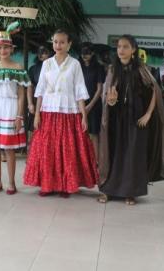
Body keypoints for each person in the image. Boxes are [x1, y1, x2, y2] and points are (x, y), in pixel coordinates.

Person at [23, 29, 98, 198]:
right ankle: (47, 185)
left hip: (68, 111)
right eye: (55, 42)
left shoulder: (74, 64)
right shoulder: (47, 64)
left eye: (62, 42)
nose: (58, 45)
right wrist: (37, 114)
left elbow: (79, 90)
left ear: (69, 44)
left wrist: (83, 115)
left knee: (67, 149)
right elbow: (40, 89)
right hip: (48, 111)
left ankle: (66, 185)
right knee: (47, 149)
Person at [98, 35, 164, 205]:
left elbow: (155, 92)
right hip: (116, 118)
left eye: (125, 47)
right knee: (113, 152)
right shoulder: (112, 69)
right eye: (119, 47)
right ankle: (107, 190)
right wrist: (111, 101)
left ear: (133, 50)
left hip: (137, 118)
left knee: (133, 155)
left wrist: (148, 114)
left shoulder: (141, 68)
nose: (121, 50)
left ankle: (130, 192)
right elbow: (107, 97)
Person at [0, 24, 30, 195]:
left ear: (11, 48)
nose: (3, 50)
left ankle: (11, 183)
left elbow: (21, 94)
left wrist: (19, 116)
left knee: (9, 149)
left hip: (10, 107)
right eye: (0, 47)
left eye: (6, 47)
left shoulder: (18, 68)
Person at [79, 42, 106, 161]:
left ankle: (96, 162)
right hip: (79, 103)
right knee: (80, 133)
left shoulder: (99, 67)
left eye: (88, 53)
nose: (85, 55)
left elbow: (99, 89)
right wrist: (81, 105)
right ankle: (82, 161)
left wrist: (90, 105)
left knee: (95, 133)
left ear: (93, 53)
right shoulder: (77, 66)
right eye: (83, 53)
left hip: (94, 104)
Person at [26, 45, 51, 146]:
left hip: (50, 101)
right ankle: (32, 153)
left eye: (45, 52)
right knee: (33, 127)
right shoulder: (33, 69)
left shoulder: (54, 67)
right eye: (40, 52)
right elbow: (30, 87)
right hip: (36, 100)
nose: (42, 55)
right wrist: (30, 103)